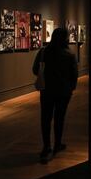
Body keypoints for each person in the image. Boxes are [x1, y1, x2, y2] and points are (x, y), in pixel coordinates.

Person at [32, 28, 78, 164]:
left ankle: (46, 146)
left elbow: (35, 70)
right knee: (59, 118)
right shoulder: (70, 55)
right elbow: (74, 75)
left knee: (45, 119)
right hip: (63, 92)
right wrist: (71, 88)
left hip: (46, 91)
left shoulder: (43, 52)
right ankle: (57, 144)